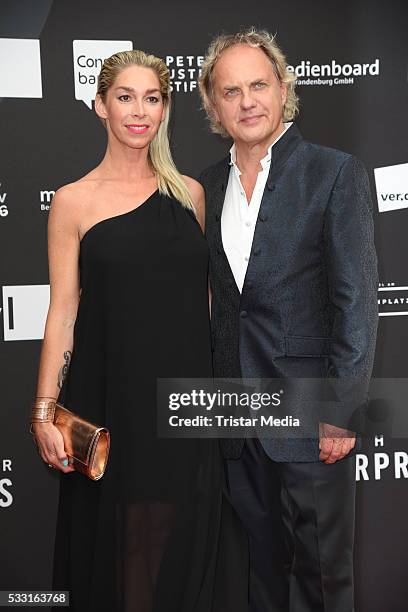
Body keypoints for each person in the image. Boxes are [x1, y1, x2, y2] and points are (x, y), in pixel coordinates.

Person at [30, 49, 248, 612]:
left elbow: (203, 306)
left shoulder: (189, 196)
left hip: (181, 406)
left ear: (164, 110)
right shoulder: (73, 202)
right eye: (124, 97)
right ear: (100, 104)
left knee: (180, 549)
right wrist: (44, 411)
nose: (138, 111)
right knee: (125, 554)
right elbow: (62, 312)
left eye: (152, 98)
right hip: (112, 402)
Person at [198, 28, 378, 612]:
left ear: (284, 88)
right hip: (235, 423)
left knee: (324, 580)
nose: (247, 101)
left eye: (258, 85)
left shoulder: (332, 172)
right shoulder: (208, 186)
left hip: (309, 419)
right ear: (213, 104)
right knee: (260, 577)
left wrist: (340, 409)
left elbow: (356, 299)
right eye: (231, 91)